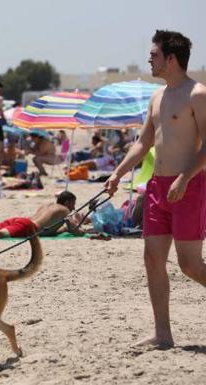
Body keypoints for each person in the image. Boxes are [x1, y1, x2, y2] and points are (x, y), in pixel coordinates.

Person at [105, 30, 206, 349]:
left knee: (189, 265)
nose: (149, 59)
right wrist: (118, 173)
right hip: (156, 189)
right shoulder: (157, 97)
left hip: (188, 186)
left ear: (171, 59)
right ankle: (163, 334)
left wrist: (184, 178)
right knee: (152, 258)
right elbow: (143, 143)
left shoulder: (197, 94)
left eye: (154, 54)